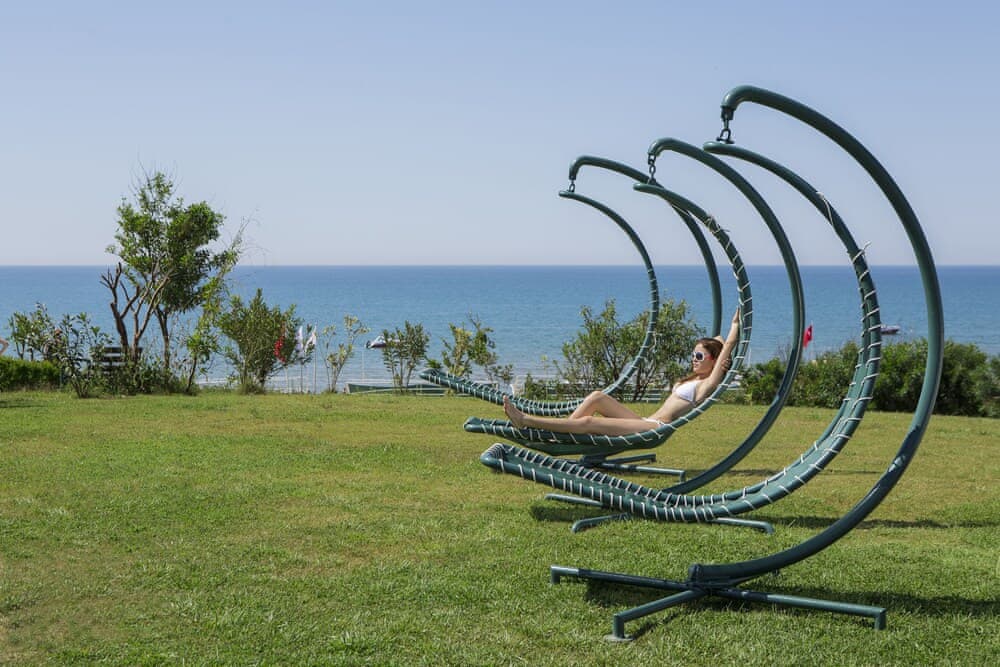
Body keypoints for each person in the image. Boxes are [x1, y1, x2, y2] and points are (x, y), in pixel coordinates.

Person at [503, 309, 740, 437]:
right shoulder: (695, 378)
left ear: (713, 360)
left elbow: (725, 344)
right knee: (597, 397)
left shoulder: (706, 385)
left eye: (699, 356)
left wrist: (735, 328)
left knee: (589, 422)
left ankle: (525, 420)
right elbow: (717, 340)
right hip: (645, 422)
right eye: (693, 355)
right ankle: (565, 433)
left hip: (656, 428)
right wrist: (717, 348)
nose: (693, 359)